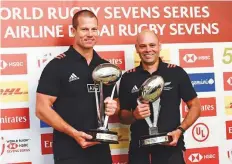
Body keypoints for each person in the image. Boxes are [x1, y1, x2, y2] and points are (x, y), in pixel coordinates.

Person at [36, 10, 118, 164]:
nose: (90, 34)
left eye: (94, 29)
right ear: (73, 31)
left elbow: (115, 102)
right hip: (69, 151)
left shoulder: (105, 67)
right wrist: (73, 133)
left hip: (101, 150)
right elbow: (41, 109)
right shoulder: (57, 65)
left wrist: (114, 106)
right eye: (84, 29)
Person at [118, 29, 201, 164]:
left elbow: (196, 106)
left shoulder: (176, 72)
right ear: (136, 48)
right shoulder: (128, 77)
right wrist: (134, 115)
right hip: (140, 150)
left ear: (159, 46)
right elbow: (123, 116)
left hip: (171, 147)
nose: (148, 50)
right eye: (143, 46)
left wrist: (180, 130)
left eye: (152, 45)